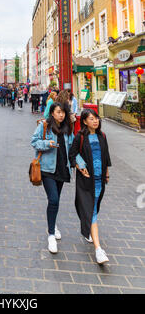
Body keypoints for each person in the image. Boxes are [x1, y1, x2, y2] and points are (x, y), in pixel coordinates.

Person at [31, 102, 85, 254]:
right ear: (52, 113)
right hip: (47, 169)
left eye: (63, 112)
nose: (61, 115)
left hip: (62, 169)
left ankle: (53, 224)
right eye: (58, 112)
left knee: (55, 200)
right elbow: (34, 142)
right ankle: (51, 235)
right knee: (53, 199)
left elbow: (73, 150)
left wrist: (81, 164)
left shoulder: (68, 129)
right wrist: (48, 143)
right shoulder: (45, 126)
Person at [69, 108, 112, 265]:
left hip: (99, 180)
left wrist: (106, 174)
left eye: (97, 118)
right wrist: (80, 166)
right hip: (86, 182)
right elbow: (72, 155)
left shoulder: (102, 136)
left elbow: (106, 157)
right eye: (91, 118)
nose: (95, 121)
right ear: (85, 121)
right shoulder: (79, 137)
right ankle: (98, 250)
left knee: (93, 207)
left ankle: (87, 228)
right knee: (91, 210)